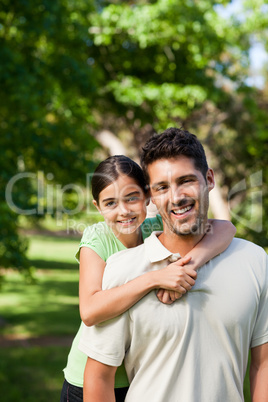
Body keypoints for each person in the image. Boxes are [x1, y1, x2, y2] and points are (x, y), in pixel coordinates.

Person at [79, 128, 268, 402]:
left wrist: (189, 265)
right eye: (162, 187)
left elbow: (263, 363)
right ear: (152, 195)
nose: (176, 197)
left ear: (209, 179)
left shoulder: (254, 261)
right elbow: (99, 376)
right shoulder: (119, 268)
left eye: (186, 180)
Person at [60, 154, 236, 402]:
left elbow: (225, 228)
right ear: (97, 207)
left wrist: (190, 264)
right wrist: (155, 279)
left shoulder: (154, 227)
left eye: (131, 198)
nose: (123, 211)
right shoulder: (97, 238)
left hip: (136, 377)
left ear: (146, 196)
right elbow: (90, 311)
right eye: (110, 203)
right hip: (88, 380)